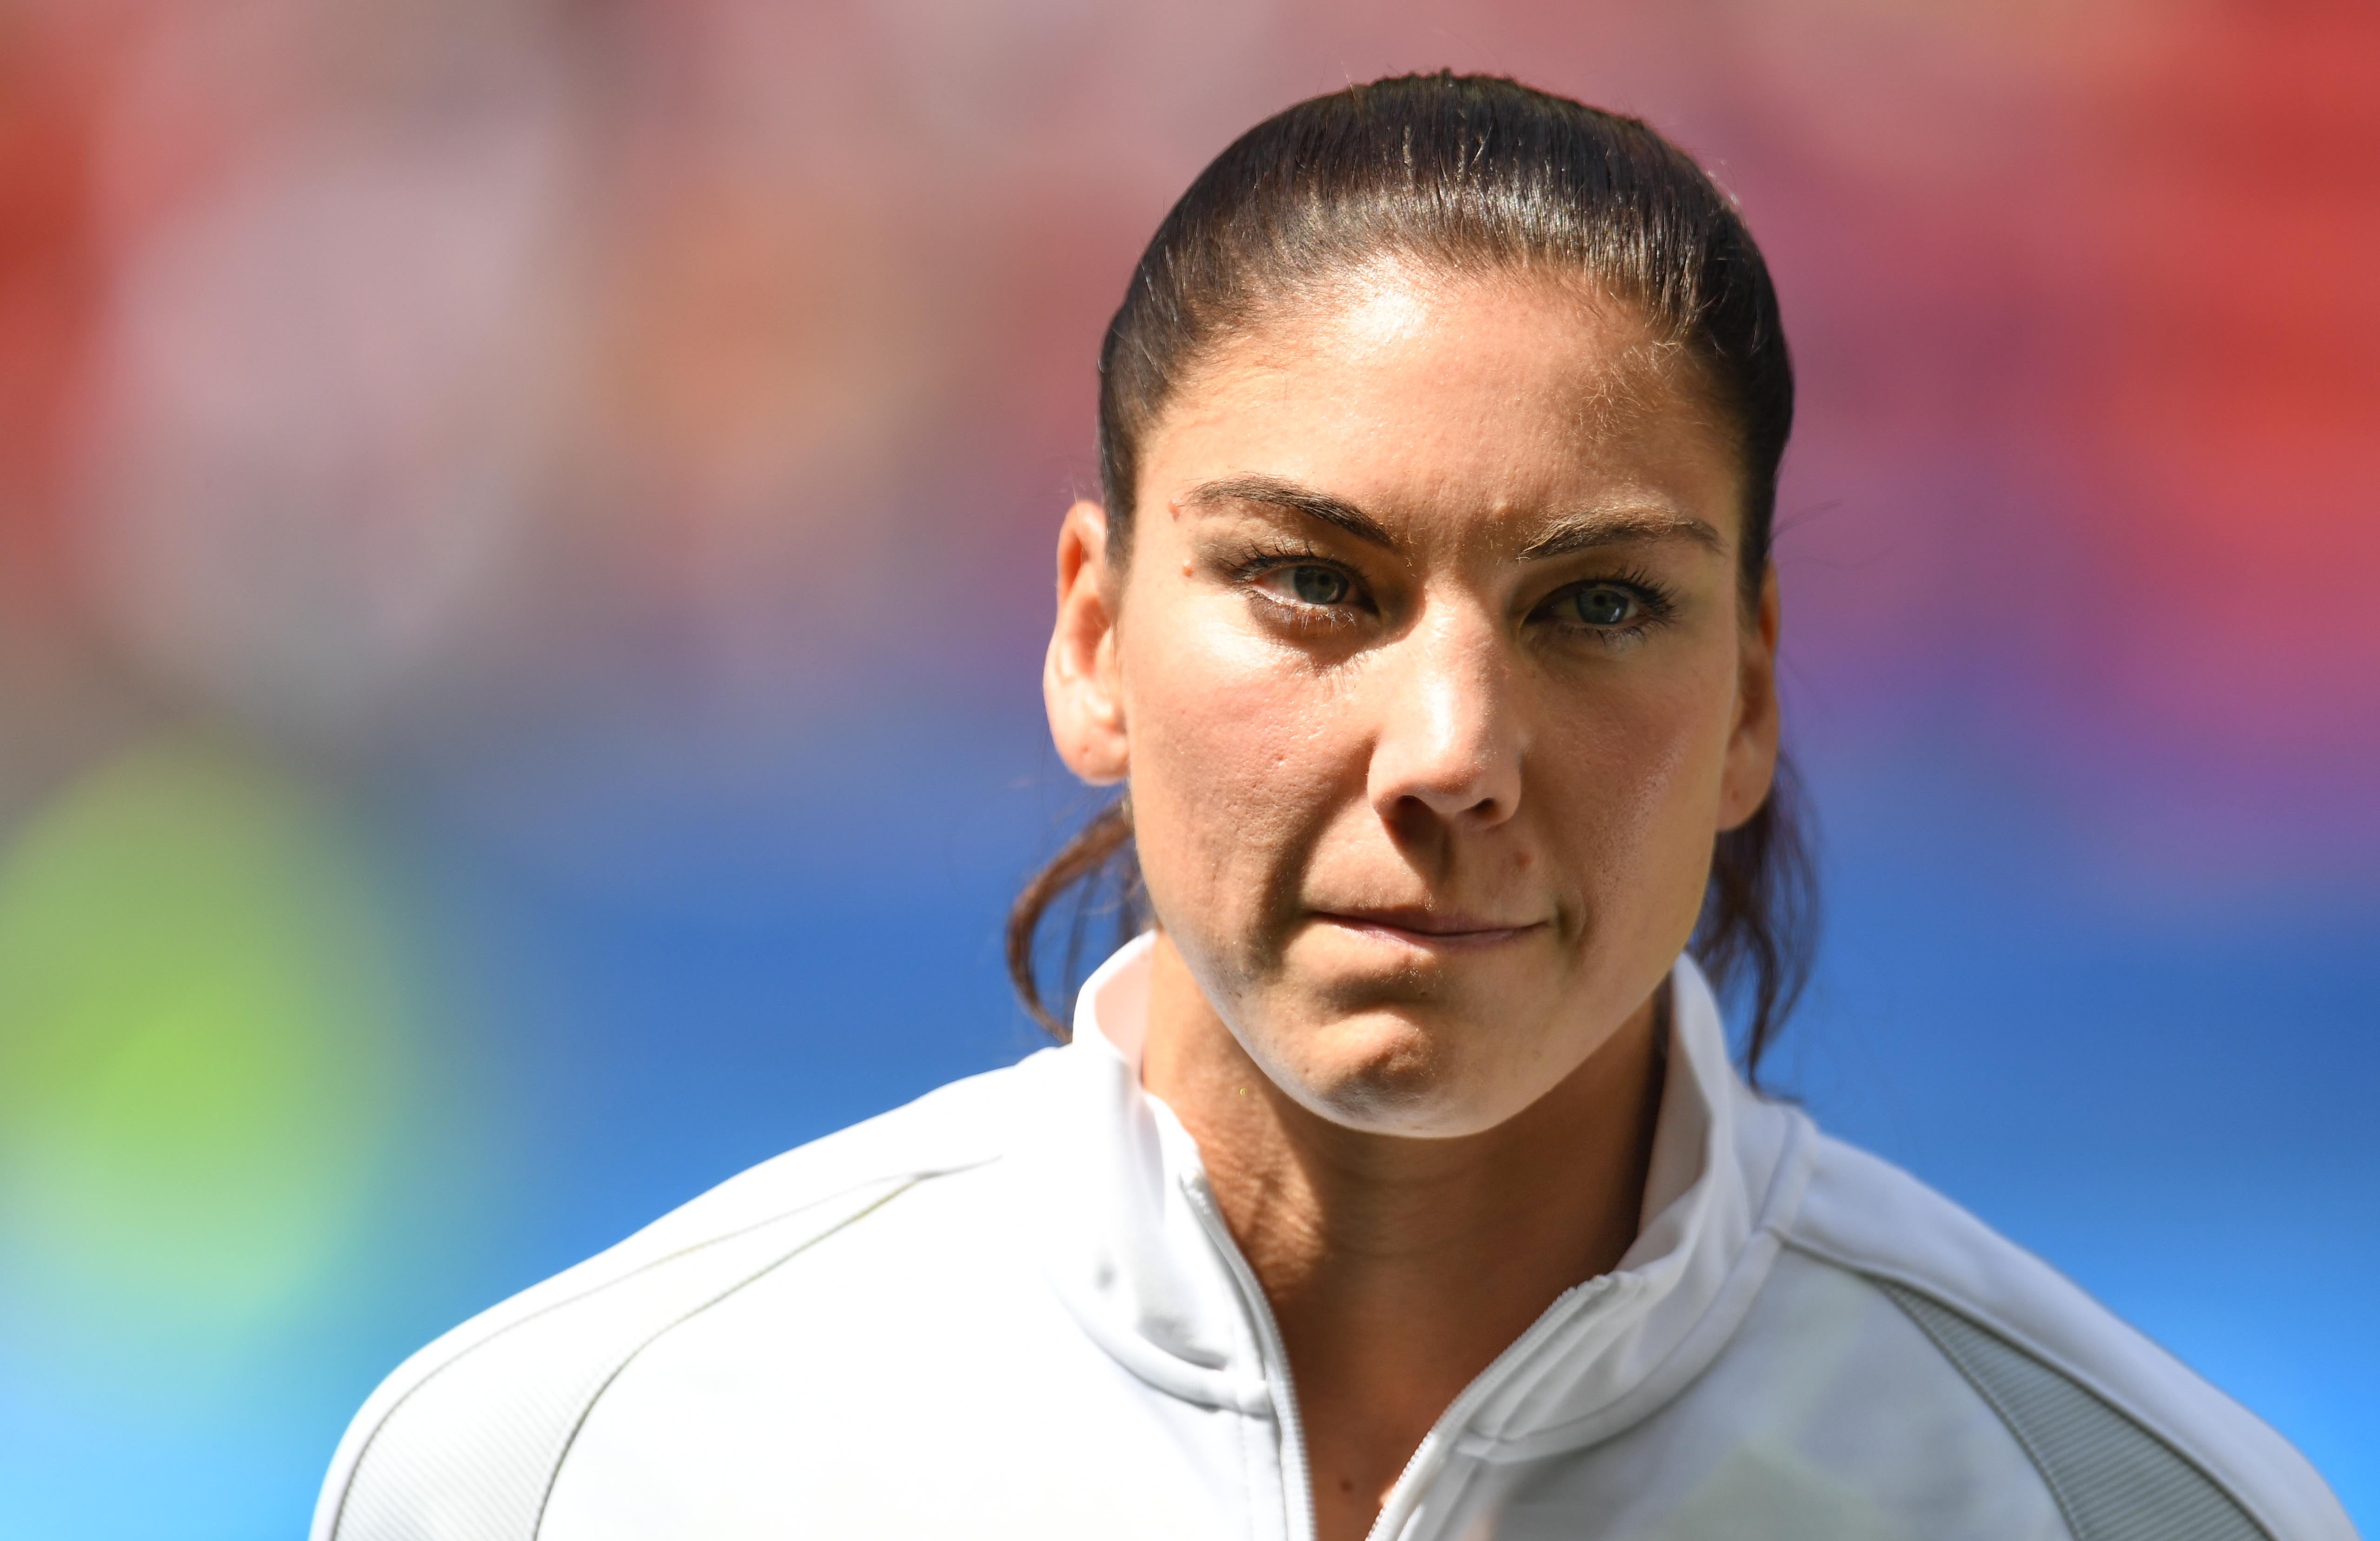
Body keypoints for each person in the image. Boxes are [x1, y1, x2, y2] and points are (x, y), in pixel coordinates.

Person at [311, 74, 2353, 1541]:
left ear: (1746, 696)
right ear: (1092, 640)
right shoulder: (556, 1468)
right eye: (1314, 582)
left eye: (1596, 604)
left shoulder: (2113, 1504)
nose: (1450, 744)